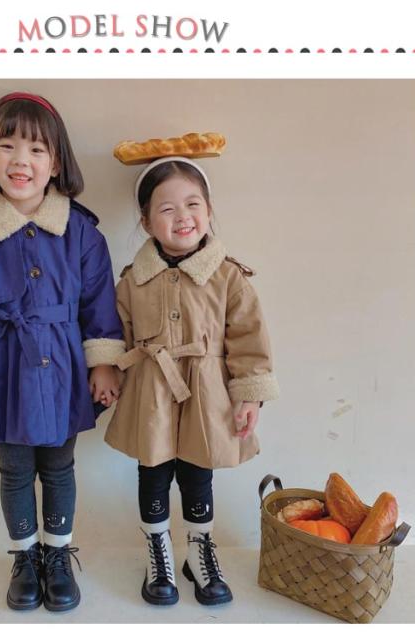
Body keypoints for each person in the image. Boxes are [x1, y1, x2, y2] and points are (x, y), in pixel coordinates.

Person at [0, 92, 124, 612]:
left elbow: (99, 301)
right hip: (1, 368)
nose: (21, 160)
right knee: (14, 469)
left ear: (55, 163)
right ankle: (24, 556)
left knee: (59, 466)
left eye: (36, 149)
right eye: (7, 146)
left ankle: (57, 556)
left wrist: (104, 362)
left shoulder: (81, 231)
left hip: (63, 368)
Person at [105, 155, 279, 606]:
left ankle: (200, 551)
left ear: (209, 210)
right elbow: (114, 332)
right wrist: (107, 371)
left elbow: (248, 338)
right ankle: (158, 552)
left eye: (193, 204)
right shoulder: (132, 281)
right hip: (151, 393)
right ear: (146, 222)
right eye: (167, 208)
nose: (182, 216)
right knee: (153, 471)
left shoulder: (229, 276)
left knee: (199, 474)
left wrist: (249, 396)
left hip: (207, 394)